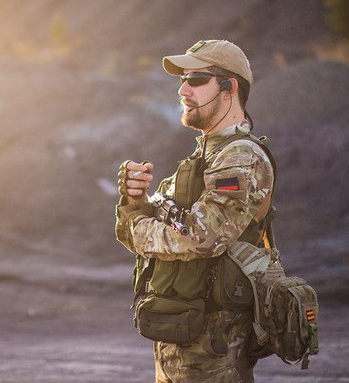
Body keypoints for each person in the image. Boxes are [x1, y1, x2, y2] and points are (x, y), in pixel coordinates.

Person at [115, 40, 275, 382]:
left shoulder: (240, 158)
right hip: (181, 341)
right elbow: (145, 236)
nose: (183, 89)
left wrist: (141, 225)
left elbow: (201, 239)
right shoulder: (199, 162)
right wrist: (134, 202)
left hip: (215, 351)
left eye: (197, 79)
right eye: (182, 80)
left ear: (230, 88)